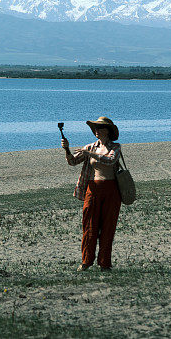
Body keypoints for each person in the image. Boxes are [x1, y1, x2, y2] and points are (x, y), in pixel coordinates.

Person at [62, 116, 123, 271]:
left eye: (99, 127)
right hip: (92, 189)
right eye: (95, 127)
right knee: (89, 226)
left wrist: (89, 154)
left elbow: (110, 160)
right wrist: (66, 149)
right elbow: (72, 162)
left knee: (108, 227)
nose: (96, 130)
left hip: (112, 191)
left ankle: (105, 264)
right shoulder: (89, 147)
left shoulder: (115, 147)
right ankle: (86, 262)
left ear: (107, 131)